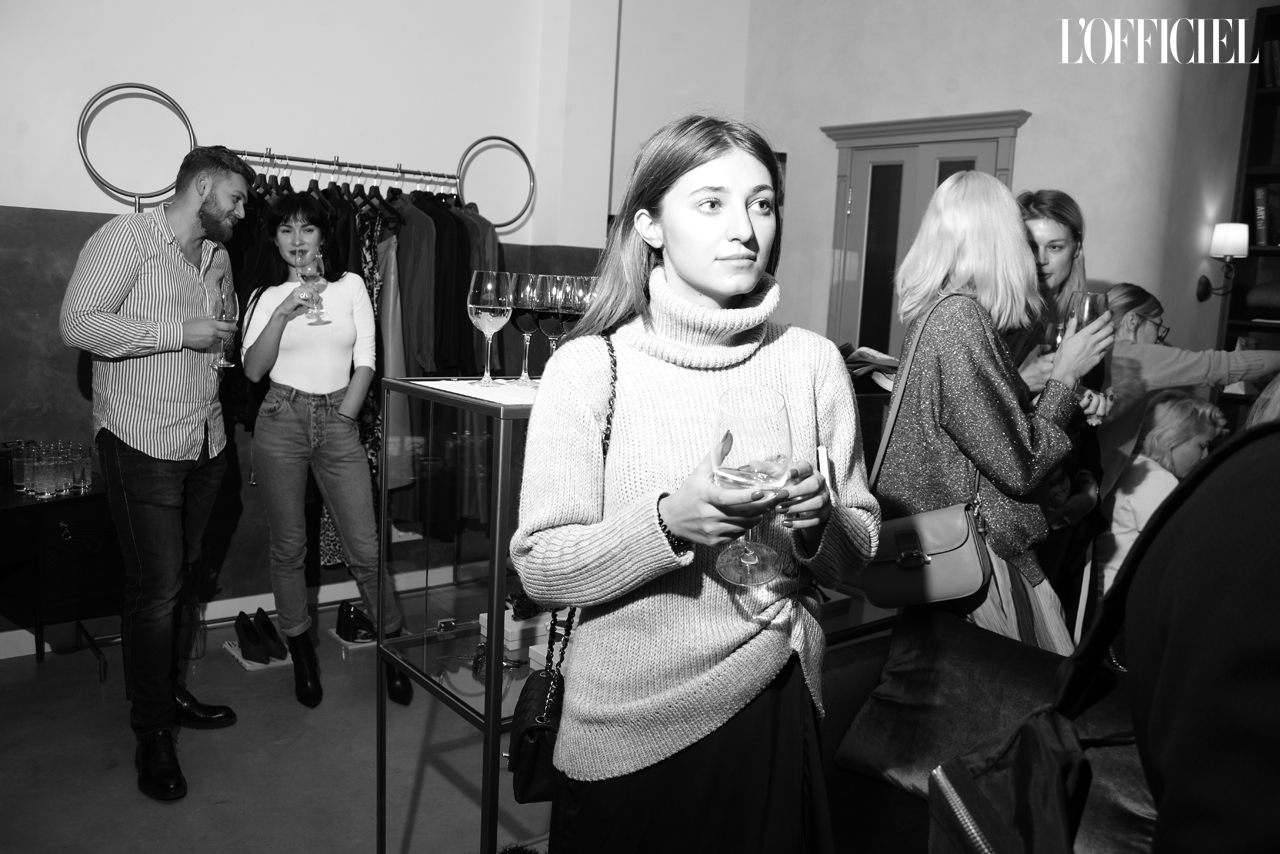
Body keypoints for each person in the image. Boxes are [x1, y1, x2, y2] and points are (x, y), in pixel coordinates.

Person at [510, 115, 879, 853]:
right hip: (623, 730)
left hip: (771, 703)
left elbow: (857, 551)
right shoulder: (591, 368)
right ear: (649, 224)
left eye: (761, 204)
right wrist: (667, 522)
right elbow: (541, 567)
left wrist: (818, 524)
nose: (745, 229)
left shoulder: (810, 364)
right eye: (711, 203)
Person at [59, 145, 255, 801]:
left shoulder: (217, 255)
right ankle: (152, 732)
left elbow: (218, 330)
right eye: (236, 198)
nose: (242, 212)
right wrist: (179, 332)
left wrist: (223, 341)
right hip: (141, 441)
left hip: (205, 441)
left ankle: (169, 695)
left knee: (184, 579)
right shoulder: (126, 238)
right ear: (202, 187)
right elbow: (77, 324)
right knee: (156, 590)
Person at [875, 171, 1113, 655]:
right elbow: (1021, 464)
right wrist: (1065, 377)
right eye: (1020, 237)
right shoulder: (960, 318)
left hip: (952, 551)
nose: (1030, 254)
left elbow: (986, 432)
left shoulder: (943, 311)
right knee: (1033, 686)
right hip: (981, 558)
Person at [240, 193, 410, 708]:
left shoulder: (350, 285)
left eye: (306, 229)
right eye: (286, 230)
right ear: (274, 239)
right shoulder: (267, 297)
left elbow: (367, 360)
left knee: (365, 548)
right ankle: (302, 655)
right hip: (281, 418)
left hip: (338, 420)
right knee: (289, 548)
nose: (297, 240)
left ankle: (392, 649)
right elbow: (253, 370)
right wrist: (282, 314)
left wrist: (344, 417)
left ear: (322, 237)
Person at [1098, 281, 1280, 497]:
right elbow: (1220, 366)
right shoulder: (1134, 355)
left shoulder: (1097, 350)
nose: (1158, 340)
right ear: (1133, 320)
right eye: (1157, 327)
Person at [1095, 390, 1226, 594]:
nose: (1205, 456)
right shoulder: (1157, 479)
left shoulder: (1124, 465)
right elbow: (1179, 552)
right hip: (1131, 595)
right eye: (1202, 446)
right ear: (1174, 438)